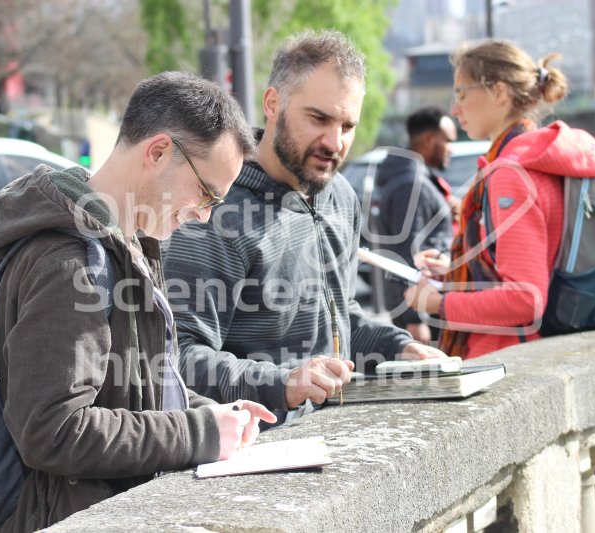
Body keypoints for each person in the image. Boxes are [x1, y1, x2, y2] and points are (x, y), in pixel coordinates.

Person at [0, 71, 276, 532]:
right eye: (206, 193)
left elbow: (133, 389)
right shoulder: (70, 262)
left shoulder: (123, 242)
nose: (203, 215)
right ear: (157, 152)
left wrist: (215, 414)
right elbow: (52, 432)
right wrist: (199, 433)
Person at [164, 30, 447, 419]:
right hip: (248, 458)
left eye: (348, 126)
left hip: (331, 439)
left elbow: (339, 317)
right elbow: (177, 355)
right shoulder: (214, 209)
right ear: (272, 103)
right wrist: (282, 384)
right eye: (319, 118)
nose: (334, 142)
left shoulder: (342, 196)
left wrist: (397, 347)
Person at [404, 39, 595, 359]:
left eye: (461, 92)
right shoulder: (540, 155)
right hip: (540, 351)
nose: (455, 108)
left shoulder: (510, 173)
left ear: (499, 93)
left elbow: (525, 299)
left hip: (507, 358)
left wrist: (436, 302)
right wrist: (459, 269)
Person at [373, 107, 457, 344]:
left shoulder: (417, 180)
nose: (452, 148)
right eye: (448, 141)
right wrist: (415, 320)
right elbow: (407, 252)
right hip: (421, 313)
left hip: (425, 304)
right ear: (429, 139)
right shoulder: (412, 185)